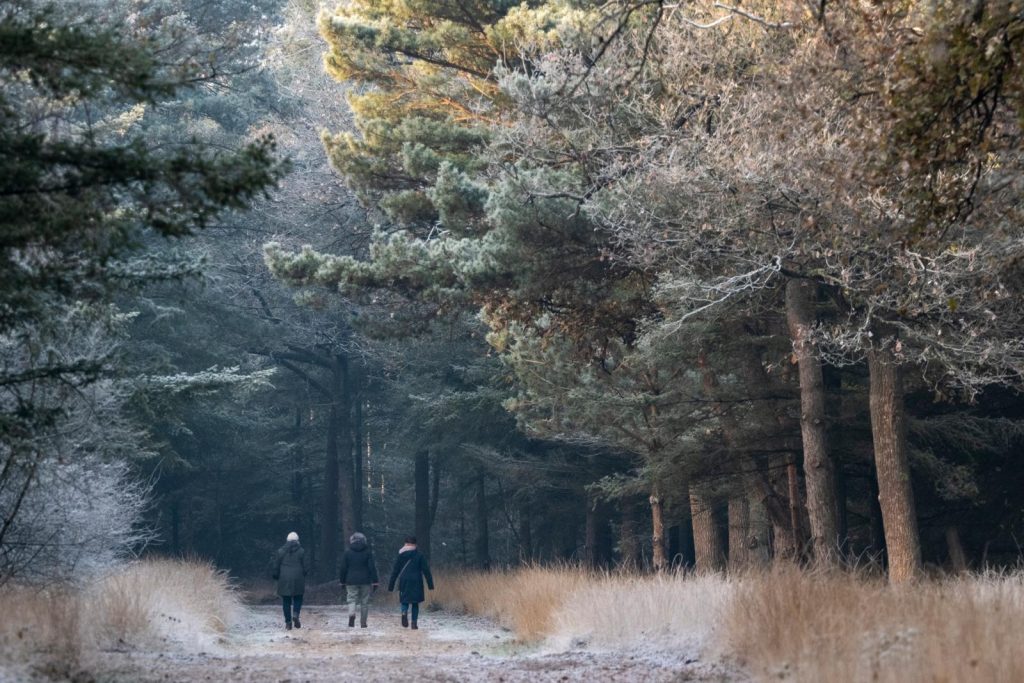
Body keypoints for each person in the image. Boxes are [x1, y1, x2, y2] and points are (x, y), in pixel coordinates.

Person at [387, 535, 434, 630]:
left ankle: (404, 612)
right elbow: (426, 570)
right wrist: (430, 584)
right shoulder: (419, 555)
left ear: (405, 544)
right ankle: (414, 623)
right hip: (417, 581)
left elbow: (395, 571)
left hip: (404, 580)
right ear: (415, 544)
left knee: (404, 600)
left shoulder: (401, 555)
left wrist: (391, 585)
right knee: (415, 603)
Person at [339, 531, 379, 628]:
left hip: (351, 580)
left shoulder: (347, 553)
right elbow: (372, 568)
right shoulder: (368, 552)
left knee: (351, 599)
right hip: (365, 580)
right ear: (364, 541)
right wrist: (375, 581)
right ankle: (363, 623)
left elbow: (343, 568)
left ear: (351, 541)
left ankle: (352, 614)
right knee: (364, 602)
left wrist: (342, 581)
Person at [272, 531, 309, 631]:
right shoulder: (301, 551)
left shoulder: (280, 551)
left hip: (284, 578)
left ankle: (288, 622)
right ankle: (296, 614)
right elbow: (306, 566)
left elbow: (276, 565)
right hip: (298, 577)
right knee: (298, 597)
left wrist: (276, 576)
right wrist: (304, 574)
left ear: (287, 540)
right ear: (297, 541)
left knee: (286, 601)